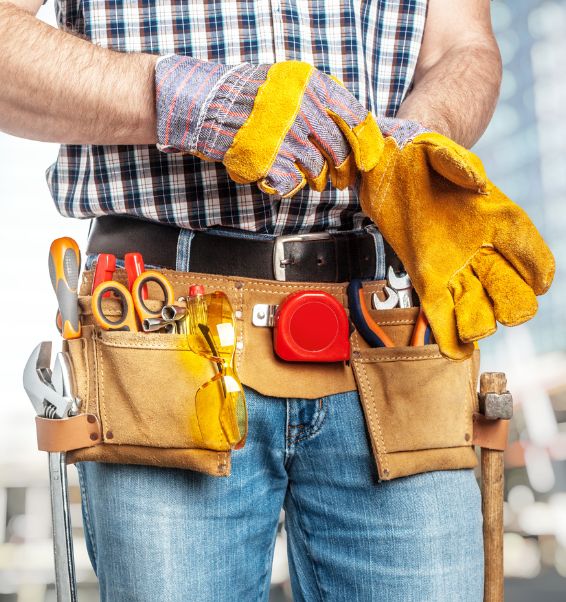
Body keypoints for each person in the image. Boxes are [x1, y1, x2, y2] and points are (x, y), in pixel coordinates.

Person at [1, 0, 504, 600]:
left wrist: (414, 143)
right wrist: (188, 101)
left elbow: (462, 47)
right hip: (165, 337)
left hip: (394, 333)